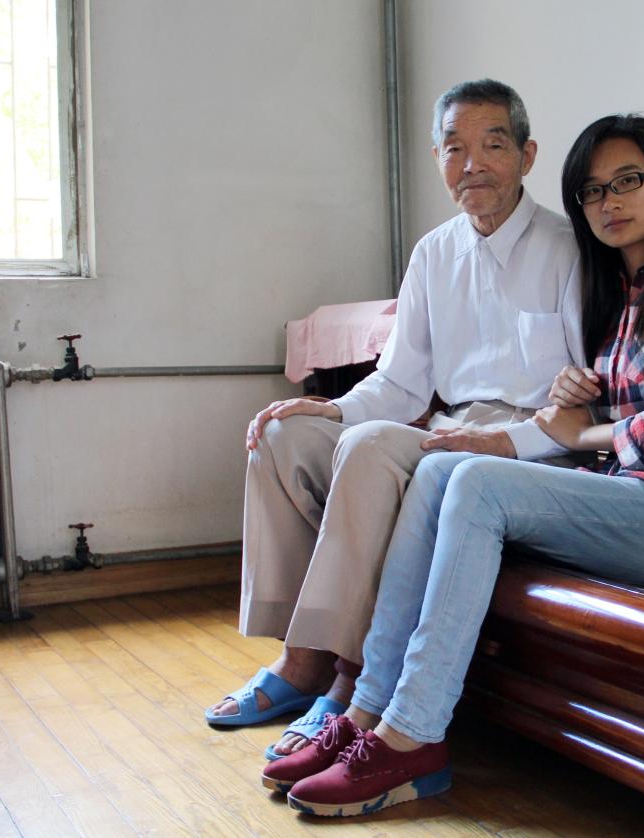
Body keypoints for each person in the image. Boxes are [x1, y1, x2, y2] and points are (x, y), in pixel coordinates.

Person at [261, 114, 644, 816]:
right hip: (630, 496)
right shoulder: (621, 292)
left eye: (627, 181)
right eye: (593, 191)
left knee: (475, 481)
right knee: (438, 469)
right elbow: (613, 404)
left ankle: (413, 737)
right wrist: (577, 393)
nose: (610, 202)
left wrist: (587, 428)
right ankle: (367, 711)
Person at [205, 79, 583, 761]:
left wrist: (506, 437)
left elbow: (587, 400)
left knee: (373, 448)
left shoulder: (567, 248)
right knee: (283, 437)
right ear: (437, 160)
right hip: (449, 433)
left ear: (527, 155)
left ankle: (335, 671)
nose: (472, 164)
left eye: (493, 145)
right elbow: (402, 379)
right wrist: (330, 409)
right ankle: (300, 651)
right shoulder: (434, 253)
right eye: (454, 148)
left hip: (529, 447)